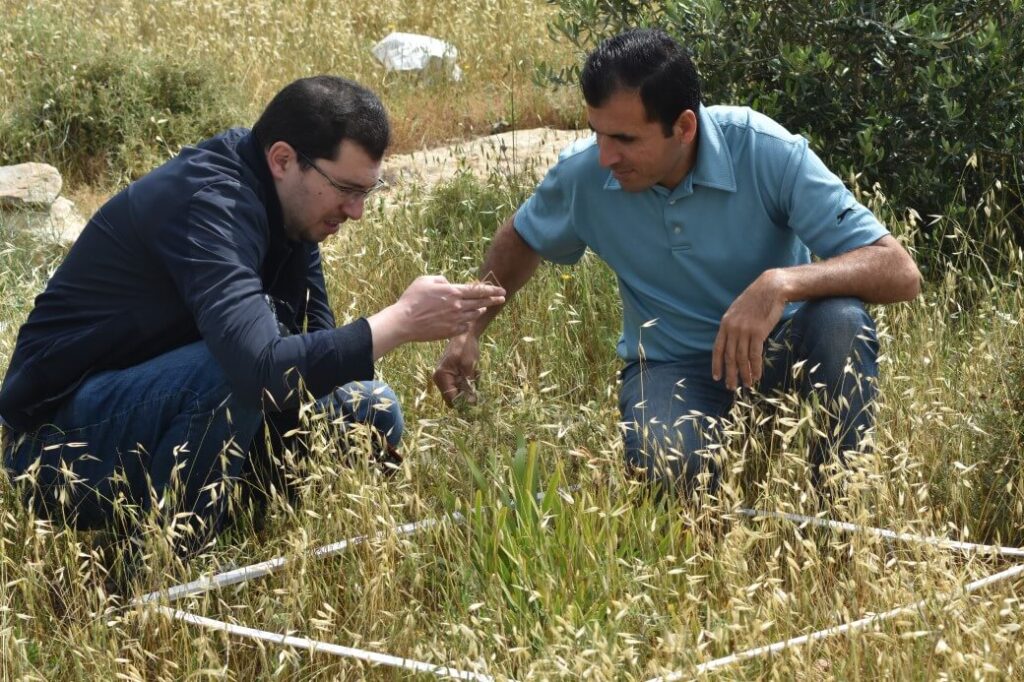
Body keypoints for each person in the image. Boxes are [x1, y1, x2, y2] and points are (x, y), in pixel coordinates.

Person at [0, 76, 505, 554]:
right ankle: (155, 582)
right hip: (53, 448)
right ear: (283, 159)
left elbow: (312, 357)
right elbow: (260, 372)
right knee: (232, 374)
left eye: (365, 192)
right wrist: (399, 321)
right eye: (347, 189)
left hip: (162, 417)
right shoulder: (210, 202)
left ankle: (257, 532)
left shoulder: (290, 210)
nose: (357, 212)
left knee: (370, 408)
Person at [434, 29, 920, 499]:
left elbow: (898, 270)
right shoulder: (585, 173)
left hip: (782, 350)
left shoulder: (764, 151)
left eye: (624, 138)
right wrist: (469, 329)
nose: (605, 156)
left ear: (684, 127)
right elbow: (522, 236)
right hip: (672, 367)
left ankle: (836, 510)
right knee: (667, 465)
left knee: (842, 323)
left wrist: (781, 283)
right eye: (596, 133)